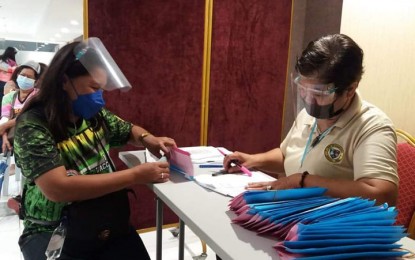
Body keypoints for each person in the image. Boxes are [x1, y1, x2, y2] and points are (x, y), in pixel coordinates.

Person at [13, 38, 176, 260]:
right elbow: (58, 188)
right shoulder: (32, 125)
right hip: (53, 229)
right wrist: (134, 175)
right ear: (64, 81)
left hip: (103, 219)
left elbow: (128, 130)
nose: (99, 98)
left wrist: (149, 139)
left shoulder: (92, 115)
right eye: (93, 88)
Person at [223, 34, 398, 206]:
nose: (308, 100)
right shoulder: (311, 113)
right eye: (303, 90)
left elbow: (382, 194)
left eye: (318, 93)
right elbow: (288, 155)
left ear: (350, 89)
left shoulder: (373, 126)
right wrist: (253, 160)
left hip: (332, 225)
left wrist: (304, 181)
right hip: (294, 213)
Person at [0, 60, 43, 153]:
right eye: (23, 75)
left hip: (34, 139)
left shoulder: (38, 96)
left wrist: (5, 125)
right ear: (18, 75)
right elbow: (4, 118)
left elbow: (30, 117)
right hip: (13, 139)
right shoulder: (9, 97)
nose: (25, 78)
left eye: (29, 77)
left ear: (35, 81)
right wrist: (4, 138)